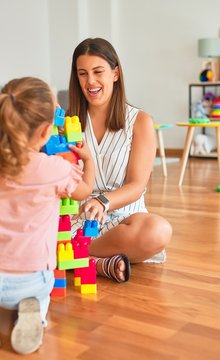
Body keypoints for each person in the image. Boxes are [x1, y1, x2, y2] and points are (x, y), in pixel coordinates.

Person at [0, 77, 94, 355]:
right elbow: (84, 192)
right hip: (35, 280)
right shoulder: (54, 169)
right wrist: (89, 158)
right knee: (42, 294)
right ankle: (35, 316)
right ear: (47, 130)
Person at [67, 38, 173, 284]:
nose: (90, 82)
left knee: (158, 230)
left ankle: (73, 256)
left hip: (125, 222)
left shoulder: (141, 121)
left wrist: (103, 201)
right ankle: (97, 264)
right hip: (78, 221)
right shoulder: (68, 124)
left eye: (98, 72)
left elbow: (137, 186)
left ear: (115, 73)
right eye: (82, 74)